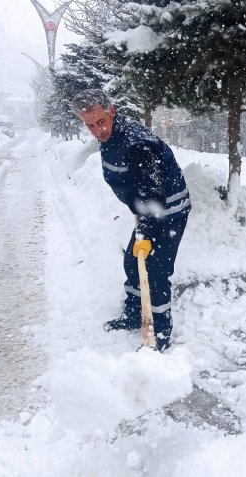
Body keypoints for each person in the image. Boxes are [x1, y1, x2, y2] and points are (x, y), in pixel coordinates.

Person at [71, 89, 191, 351]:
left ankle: (159, 334)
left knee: (156, 271)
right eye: (89, 125)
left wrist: (145, 234)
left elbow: (154, 195)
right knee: (133, 261)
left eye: (101, 122)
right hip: (147, 208)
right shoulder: (112, 137)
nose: (97, 131)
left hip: (168, 210)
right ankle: (135, 313)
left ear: (112, 111)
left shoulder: (138, 144)